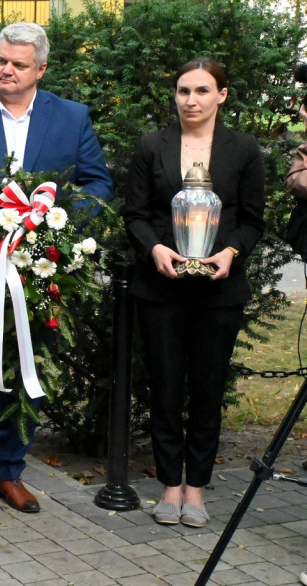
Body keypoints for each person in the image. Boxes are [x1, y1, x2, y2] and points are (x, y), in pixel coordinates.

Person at [0, 22, 113, 517]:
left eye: (18, 64)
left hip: (41, 271)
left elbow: (98, 186)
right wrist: (10, 204)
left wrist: (53, 223)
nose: (6, 70)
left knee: (26, 370)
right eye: (1, 60)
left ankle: (9, 473)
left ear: (41, 69)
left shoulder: (72, 118)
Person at [124, 57, 264, 528]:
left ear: (221, 95)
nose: (191, 100)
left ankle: (197, 489)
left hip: (219, 291)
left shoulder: (243, 149)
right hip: (161, 288)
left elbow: (252, 220)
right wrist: (156, 249)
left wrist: (230, 254)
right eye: (184, 91)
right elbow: (135, 215)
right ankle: (169, 486)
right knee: (165, 388)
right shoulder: (152, 145)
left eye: (202, 91)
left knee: (206, 390)